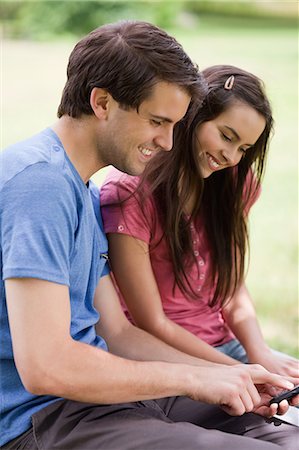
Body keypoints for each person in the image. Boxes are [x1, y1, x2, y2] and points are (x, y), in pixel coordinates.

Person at [1, 20, 298, 449]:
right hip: (45, 419)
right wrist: (194, 378)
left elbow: (118, 334)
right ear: (102, 102)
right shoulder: (40, 186)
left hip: (108, 399)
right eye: (158, 121)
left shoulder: (81, 189)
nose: (168, 142)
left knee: (288, 432)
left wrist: (229, 374)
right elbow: (46, 366)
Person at [100, 64, 298, 377]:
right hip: (168, 360)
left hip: (226, 349)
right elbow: (152, 322)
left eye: (243, 149)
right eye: (225, 136)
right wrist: (242, 373)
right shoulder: (130, 194)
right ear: (191, 117)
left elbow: (231, 290)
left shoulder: (233, 186)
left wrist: (260, 354)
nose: (231, 157)